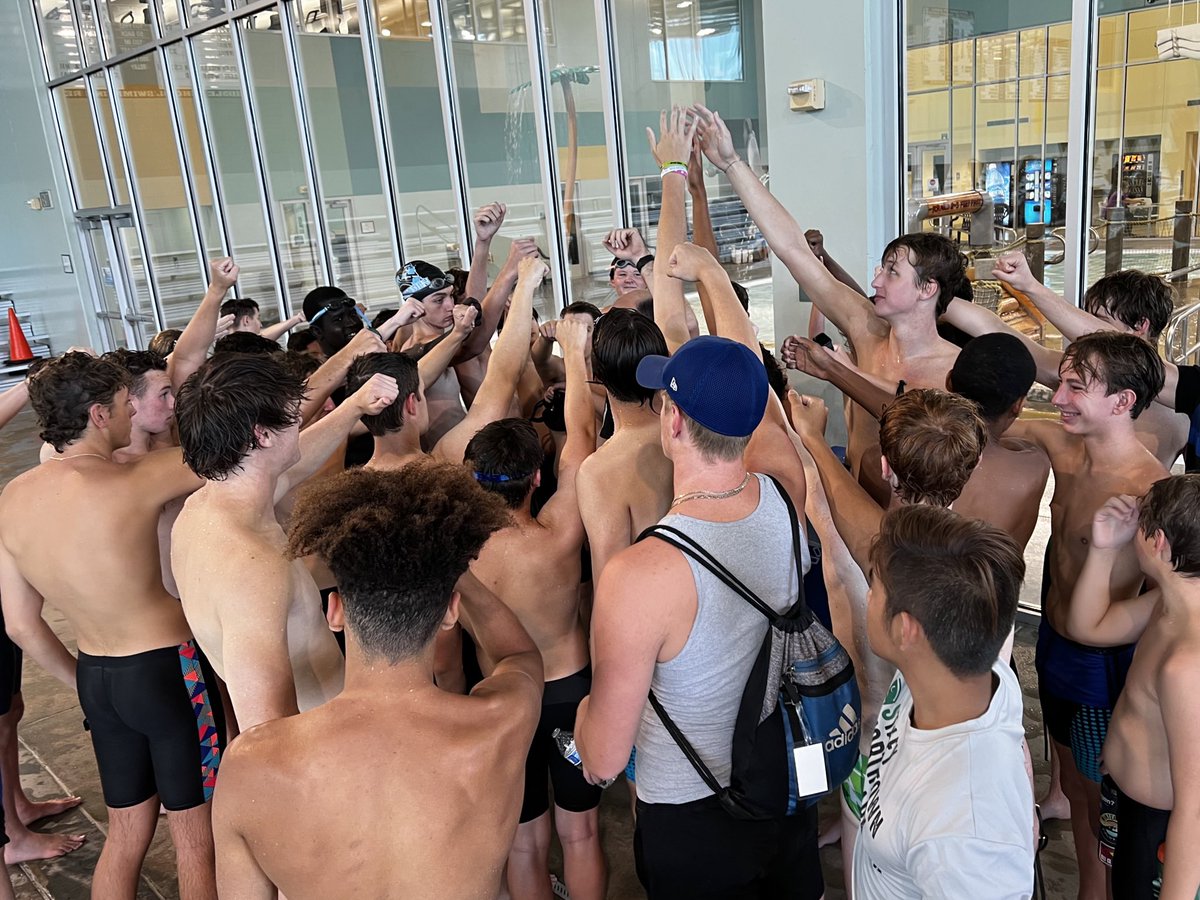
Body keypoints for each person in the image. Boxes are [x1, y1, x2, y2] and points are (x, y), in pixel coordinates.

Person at [574, 229, 816, 896]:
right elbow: (762, 402)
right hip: (784, 786)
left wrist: (580, 724)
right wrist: (707, 270)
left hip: (692, 813)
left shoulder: (638, 575)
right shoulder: (784, 487)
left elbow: (604, 755)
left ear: (672, 422)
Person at [212, 462, 542, 899]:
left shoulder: (250, 766)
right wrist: (450, 568)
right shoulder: (502, 724)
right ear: (450, 611)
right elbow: (518, 655)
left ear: (336, 612)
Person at [0, 352, 217, 898]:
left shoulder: (13, 497)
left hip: (99, 678)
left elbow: (21, 625)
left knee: (125, 833)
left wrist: (85, 684)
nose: (131, 415)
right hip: (170, 670)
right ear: (99, 414)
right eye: (125, 405)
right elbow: (255, 441)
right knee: (196, 835)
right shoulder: (141, 477)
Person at [694, 104, 964, 508]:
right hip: (850, 503)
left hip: (910, 533)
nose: (875, 280)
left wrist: (837, 370)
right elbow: (794, 251)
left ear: (928, 289)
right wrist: (732, 164)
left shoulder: (953, 371)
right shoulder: (867, 326)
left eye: (892, 272)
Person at [1003, 330, 1168, 900]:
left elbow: (1175, 600)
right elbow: (981, 419)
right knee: (1073, 784)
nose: (1060, 396)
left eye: (1077, 387)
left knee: (1102, 802)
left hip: (1105, 667)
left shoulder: (1150, 491)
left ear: (1123, 402)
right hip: (1052, 644)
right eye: (1061, 382)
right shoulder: (1061, 443)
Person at [171, 345, 398, 731]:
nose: (300, 424)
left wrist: (354, 406)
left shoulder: (205, 507)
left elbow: (291, 465)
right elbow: (266, 732)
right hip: (322, 749)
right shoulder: (252, 568)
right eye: (293, 416)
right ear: (261, 434)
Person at [464, 316, 602, 900]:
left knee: (523, 840)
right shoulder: (559, 535)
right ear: (536, 477)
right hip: (571, 690)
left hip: (504, 697)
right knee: (583, 833)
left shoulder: (461, 552)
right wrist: (573, 352)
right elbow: (582, 444)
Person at [852, 504, 1033, 898]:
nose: (868, 597)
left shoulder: (965, 832)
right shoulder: (981, 671)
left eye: (874, 588)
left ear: (906, 630)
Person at [1065, 482, 1200, 899]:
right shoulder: (1168, 605)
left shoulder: (1186, 663)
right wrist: (1103, 551)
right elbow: (1088, 627)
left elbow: (1194, 810)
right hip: (1125, 796)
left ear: (1157, 542)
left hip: (1155, 827)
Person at [944, 256, 1187, 469]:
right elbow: (994, 328)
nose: (1082, 331)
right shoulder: (1075, 374)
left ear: (1140, 326)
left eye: (1097, 320)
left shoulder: (1182, 411)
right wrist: (933, 299)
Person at [219, 296, 306, 342]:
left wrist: (297, 318)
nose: (260, 325)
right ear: (246, 320)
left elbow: (263, 337)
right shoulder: (250, 351)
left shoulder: (221, 352)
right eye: (258, 318)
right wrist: (298, 318)